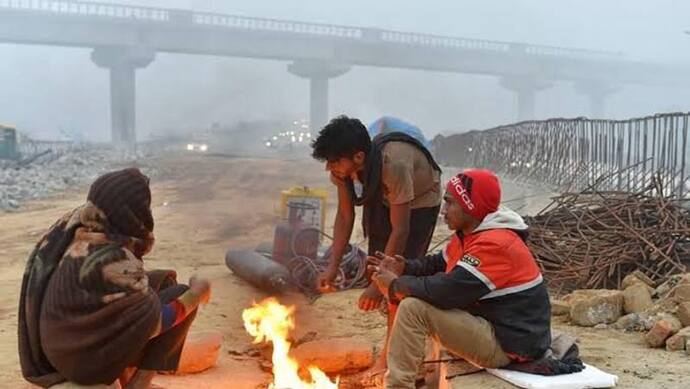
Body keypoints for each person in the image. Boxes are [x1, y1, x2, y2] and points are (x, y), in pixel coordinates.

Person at [369, 169, 582, 389]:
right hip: (498, 328)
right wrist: (405, 267)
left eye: (450, 203)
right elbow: (438, 263)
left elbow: (447, 292)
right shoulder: (472, 233)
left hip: (508, 345)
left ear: (470, 207)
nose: (443, 210)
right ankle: (423, 377)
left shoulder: (496, 244)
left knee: (414, 307)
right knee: (419, 299)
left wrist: (395, 285)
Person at [18, 168, 211, 388]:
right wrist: (198, 293)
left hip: (60, 344)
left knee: (163, 280)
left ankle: (127, 375)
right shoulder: (114, 258)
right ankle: (139, 383)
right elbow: (153, 325)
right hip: (83, 365)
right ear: (132, 211)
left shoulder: (76, 227)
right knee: (182, 295)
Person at [310, 115, 442, 375]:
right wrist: (332, 266)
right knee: (378, 268)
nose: (329, 168)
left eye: (334, 161)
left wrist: (375, 285)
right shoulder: (344, 170)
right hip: (384, 198)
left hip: (419, 203)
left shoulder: (394, 165)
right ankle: (395, 340)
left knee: (397, 282)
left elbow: (401, 230)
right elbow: (345, 217)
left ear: (358, 157)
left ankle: (390, 359)